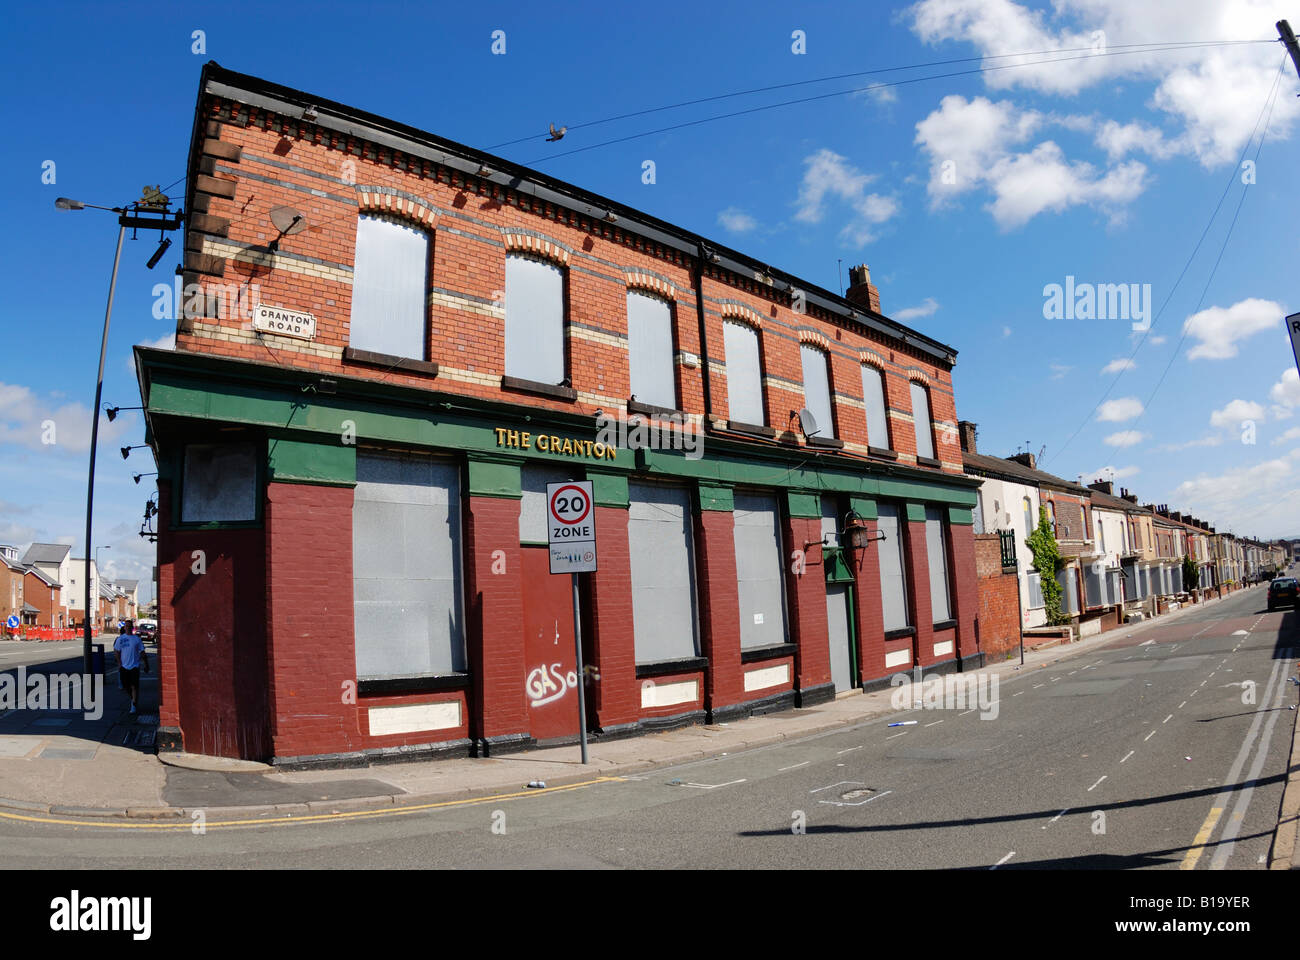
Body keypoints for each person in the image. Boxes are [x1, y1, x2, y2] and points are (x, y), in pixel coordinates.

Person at [112, 620, 149, 715]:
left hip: (134, 666)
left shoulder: (137, 639)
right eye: (126, 626)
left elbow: (142, 652)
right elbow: (116, 651)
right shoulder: (120, 639)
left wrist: (146, 664)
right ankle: (133, 698)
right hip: (124, 666)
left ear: (132, 627)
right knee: (125, 686)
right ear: (124, 628)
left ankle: (133, 704)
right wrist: (119, 663)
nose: (128, 627)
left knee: (134, 686)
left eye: (129, 626)